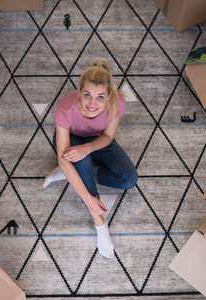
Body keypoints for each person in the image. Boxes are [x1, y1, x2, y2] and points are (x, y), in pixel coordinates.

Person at [43, 60, 138, 259]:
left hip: (96, 140)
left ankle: (76, 174)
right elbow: (62, 158)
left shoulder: (118, 102)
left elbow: (108, 137)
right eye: (87, 95)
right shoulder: (64, 110)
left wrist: (87, 148)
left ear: (109, 96)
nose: (93, 104)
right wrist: (89, 199)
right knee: (78, 163)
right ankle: (100, 224)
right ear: (79, 92)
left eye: (100, 97)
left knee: (128, 180)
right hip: (72, 139)